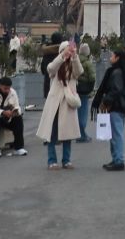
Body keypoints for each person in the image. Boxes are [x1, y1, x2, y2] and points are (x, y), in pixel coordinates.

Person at [37, 39, 81, 169]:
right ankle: (52, 160)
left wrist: (75, 56)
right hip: (55, 101)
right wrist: (62, 56)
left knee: (68, 133)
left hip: (68, 102)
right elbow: (50, 68)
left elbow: (79, 72)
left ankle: (66, 160)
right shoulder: (57, 65)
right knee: (52, 133)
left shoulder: (73, 64)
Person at [97, 42, 125, 170]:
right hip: (121, 106)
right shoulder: (122, 71)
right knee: (115, 133)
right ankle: (116, 158)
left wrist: (106, 101)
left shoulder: (116, 72)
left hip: (116, 106)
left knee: (116, 134)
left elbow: (116, 90)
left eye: (112, 56)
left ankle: (118, 160)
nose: (110, 58)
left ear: (117, 58)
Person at [0, 75, 27, 156]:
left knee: (18, 119)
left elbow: (17, 105)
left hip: (8, 118)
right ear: (0, 85)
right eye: (5, 88)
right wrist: (2, 112)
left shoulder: (12, 92)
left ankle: (19, 147)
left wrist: (15, 111)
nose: (7, 90)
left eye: (8, 88)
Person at [75, 44, 95, 141]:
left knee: (78, 112)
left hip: (76, 89)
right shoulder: (88, 63)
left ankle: (79, 133)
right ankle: (82, 135)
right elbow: (92, 77)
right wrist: (91, 89)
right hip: (85, 90)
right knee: (83, 113)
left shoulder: (75, 60)